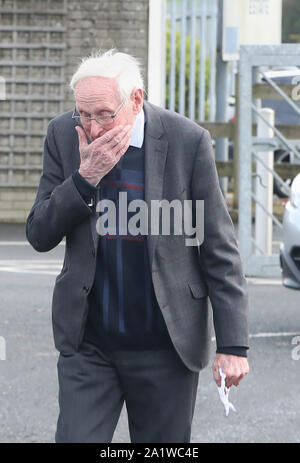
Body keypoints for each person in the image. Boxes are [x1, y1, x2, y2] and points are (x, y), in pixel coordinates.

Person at [26, 49, 249, 443]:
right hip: (89, 344)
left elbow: (219, 247)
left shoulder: (186, 140)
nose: (92, 128)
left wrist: (233, 344)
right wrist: (84, 178)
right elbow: (39, 233)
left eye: (103, 115)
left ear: (136, 100)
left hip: (165, 344)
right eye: (84, 114)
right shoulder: (63, 133)